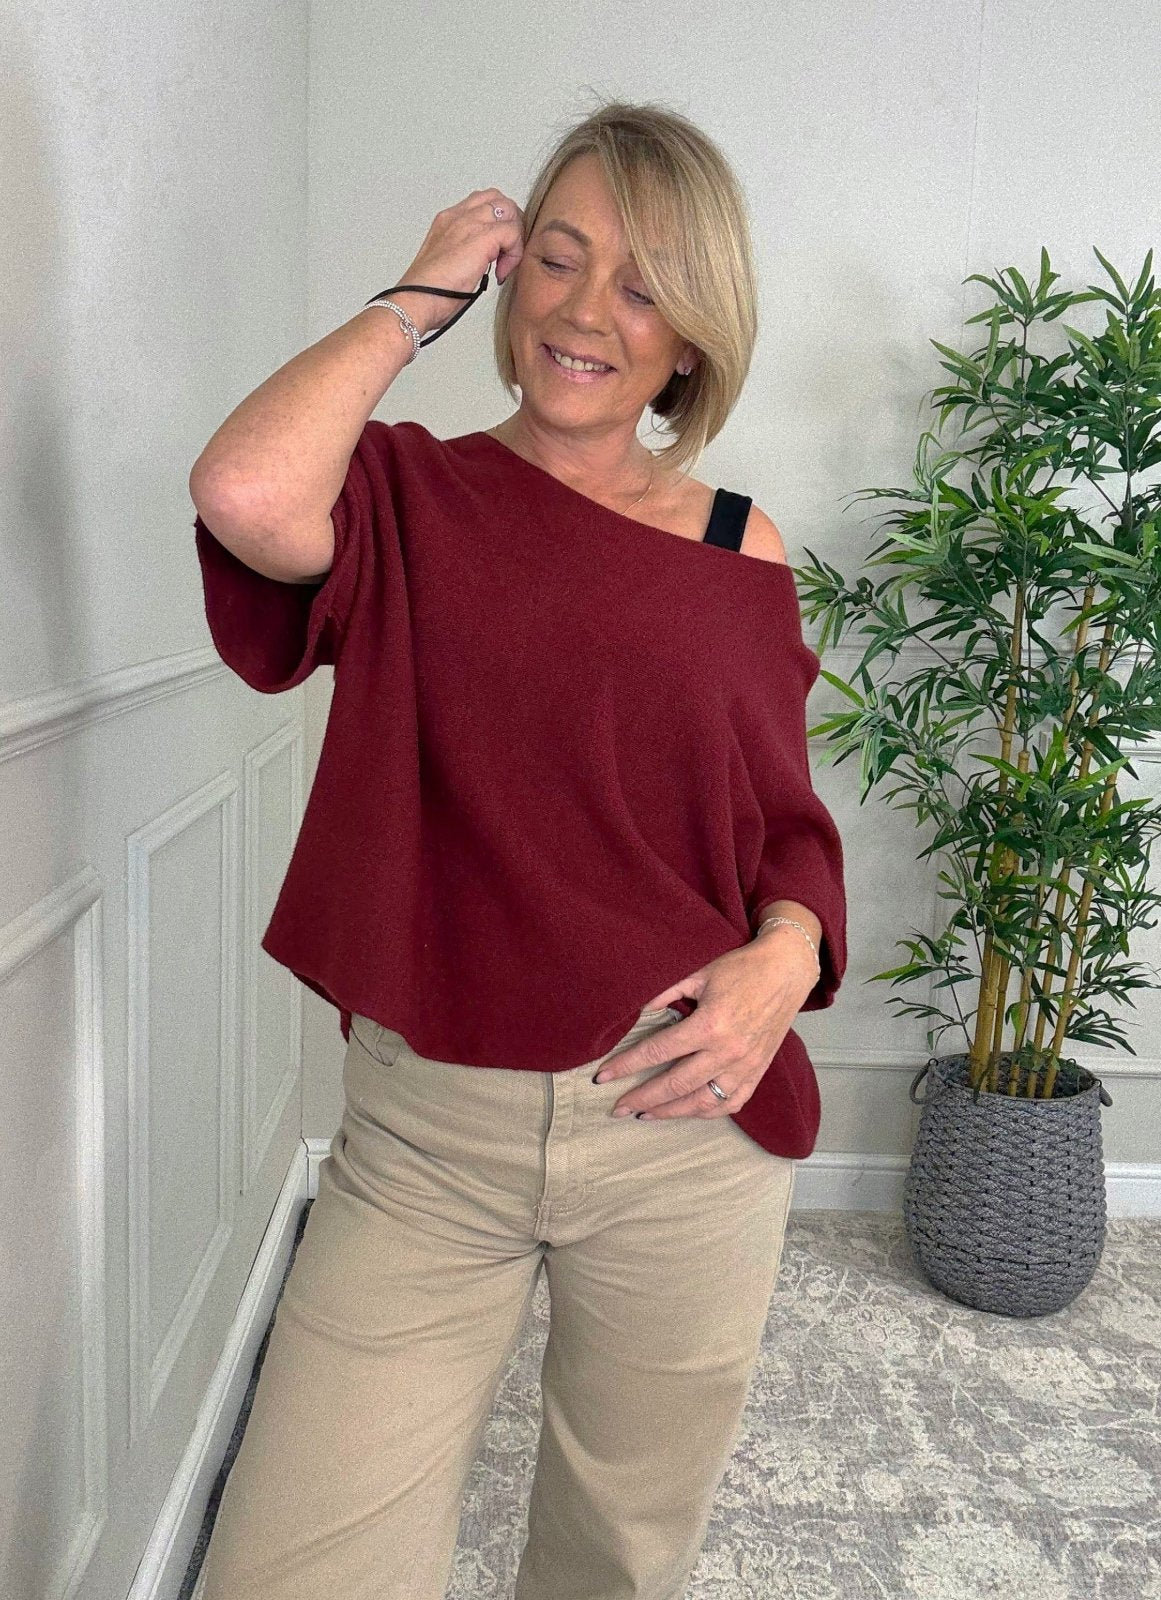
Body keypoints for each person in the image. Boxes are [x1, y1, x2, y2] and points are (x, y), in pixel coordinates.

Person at [190, 99, 847, 1600]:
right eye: (556, 258)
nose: (584, 310)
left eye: (641, 285)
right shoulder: (403, 494)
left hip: (685, 1121)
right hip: (431, 1139)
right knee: (294, 1568)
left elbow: (784, 830)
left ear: (691, 340)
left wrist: (786, 958)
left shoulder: (738, 545)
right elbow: (243, 494)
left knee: (618, 1558)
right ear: (506, 277)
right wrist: (419, 291)